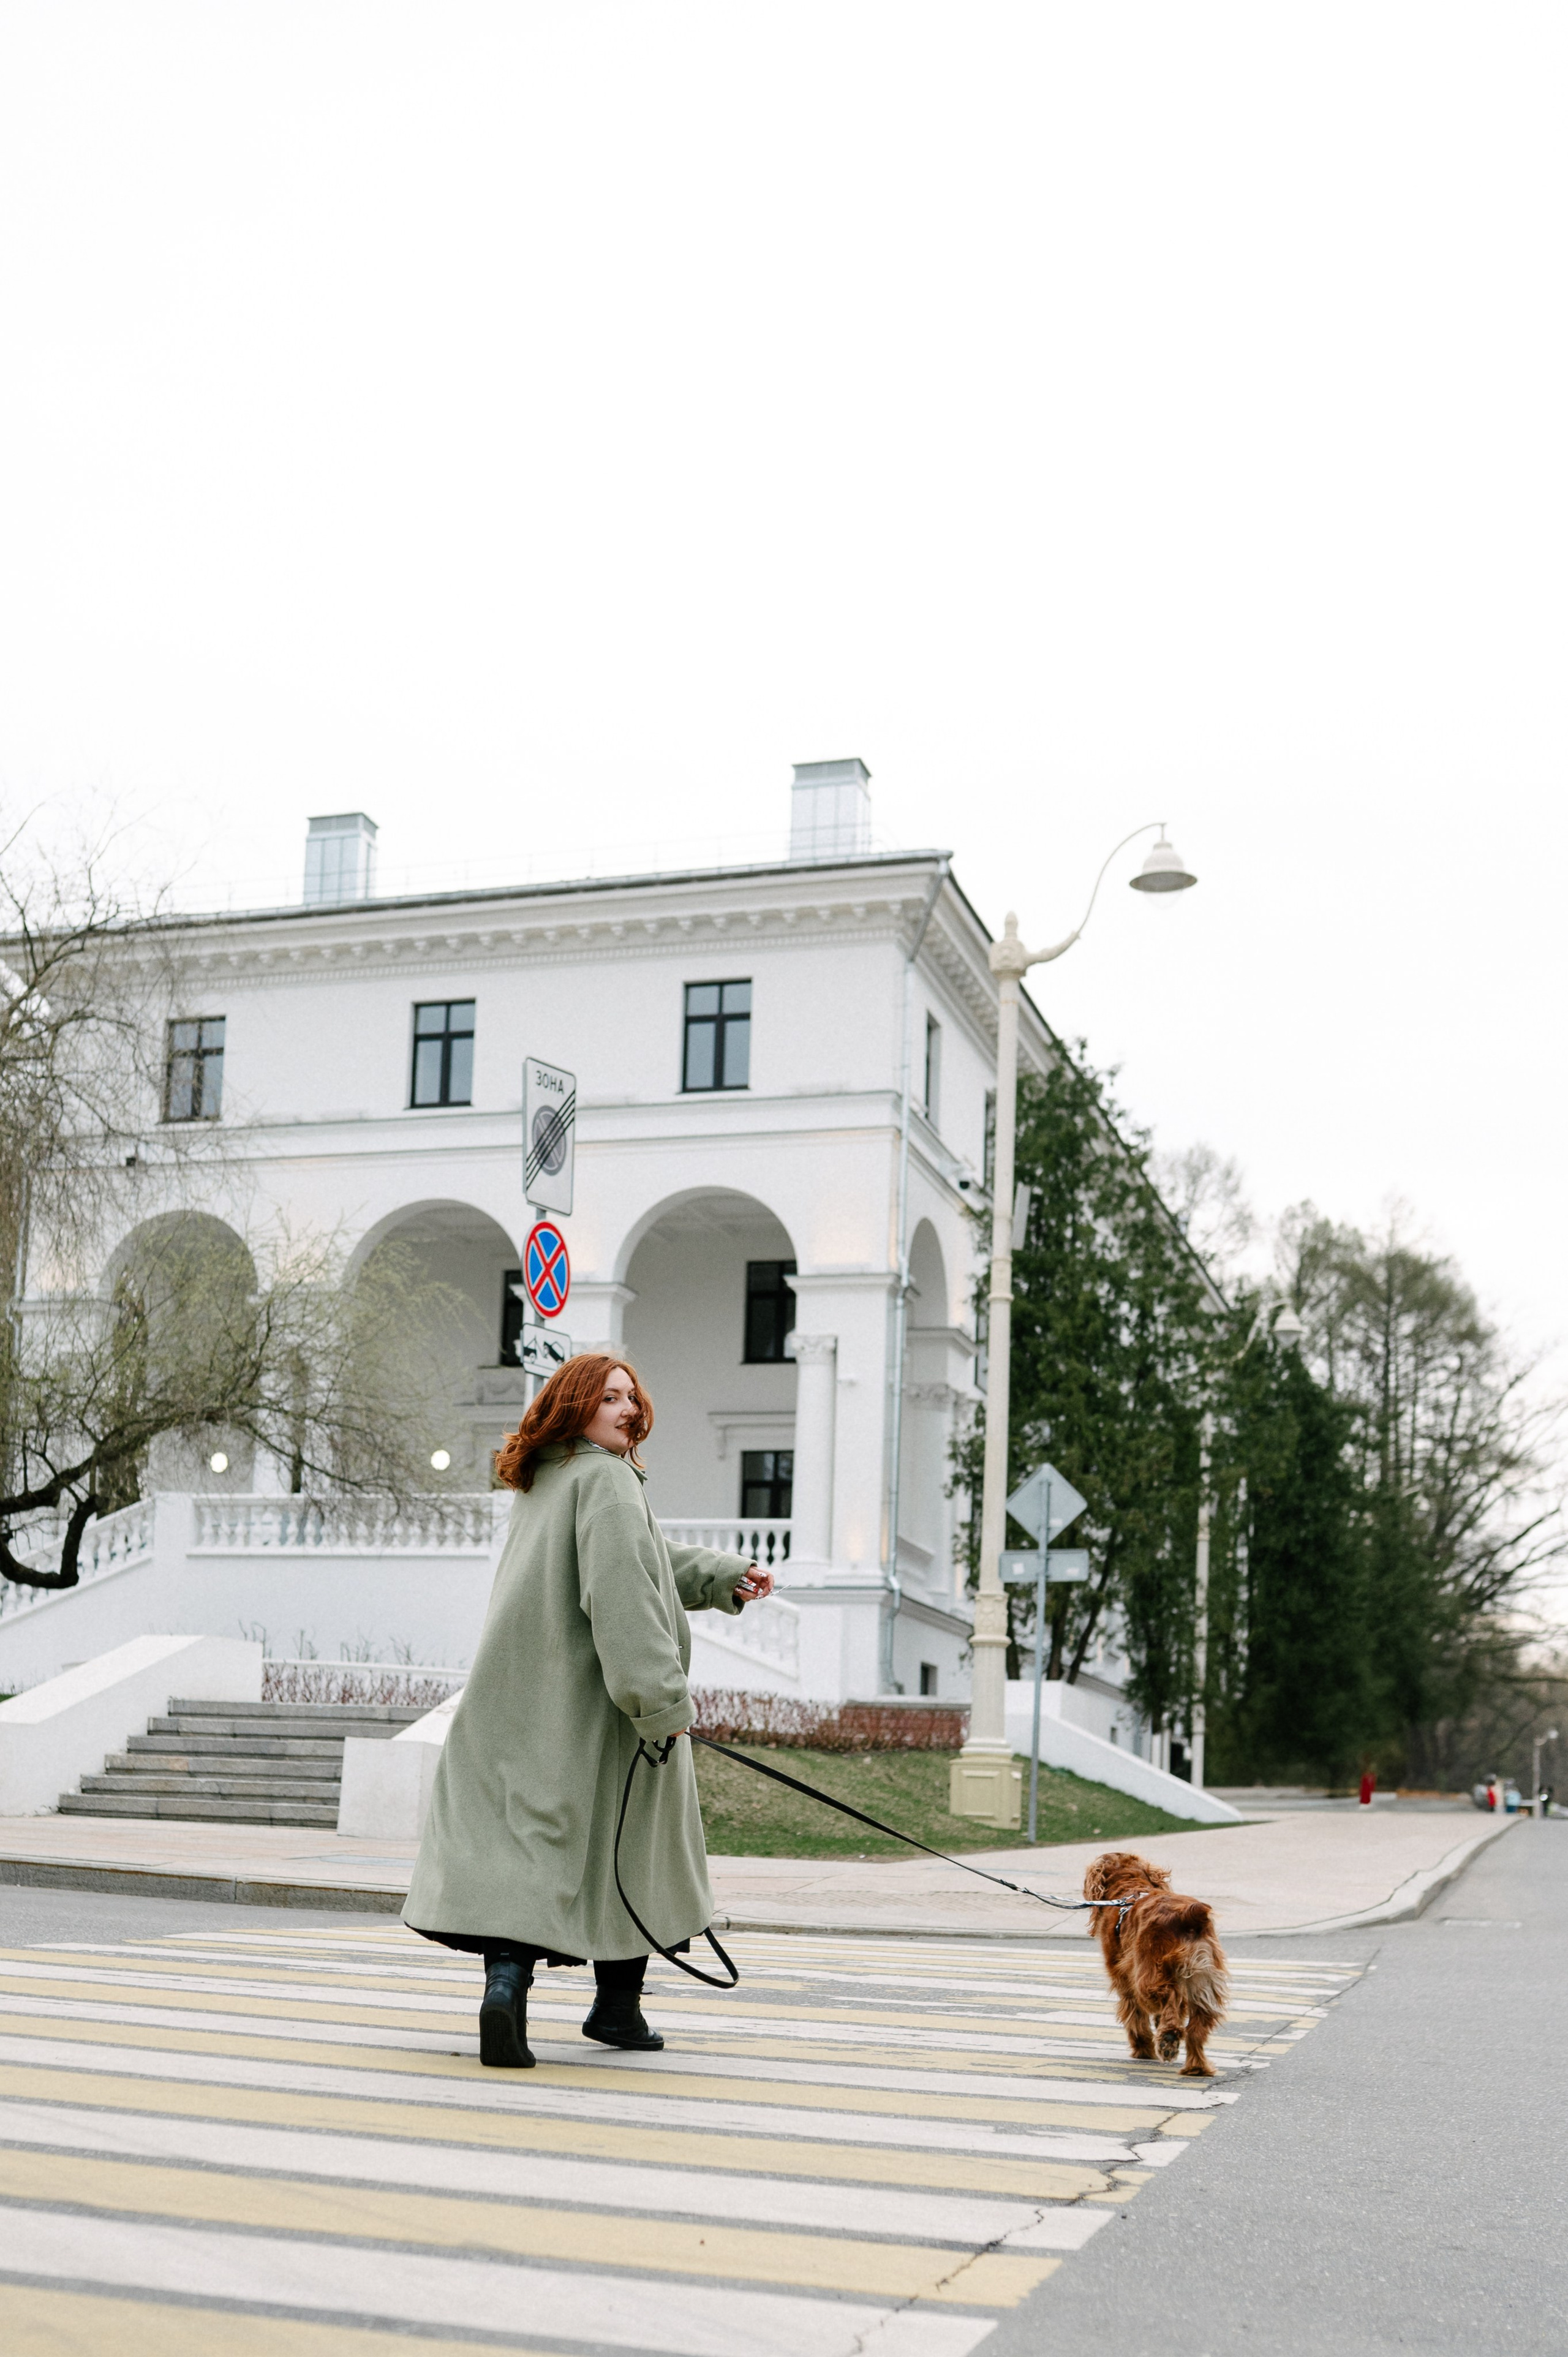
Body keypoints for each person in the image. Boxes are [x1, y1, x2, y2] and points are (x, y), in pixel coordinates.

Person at [404, 1352, 772, 2069]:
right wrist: (660, 1705)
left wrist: (724, 1575)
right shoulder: (606, 1479)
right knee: (634, 1848)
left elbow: (643, 1557)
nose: (627, 1408)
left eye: (632, 1396)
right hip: (594, 1715)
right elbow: (626, 1600)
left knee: (527, 1861)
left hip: (517, 1707)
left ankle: (506, 1993)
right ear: (575, 1406)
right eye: (609, 1397)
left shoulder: (552, 1475)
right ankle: (616, 2008)